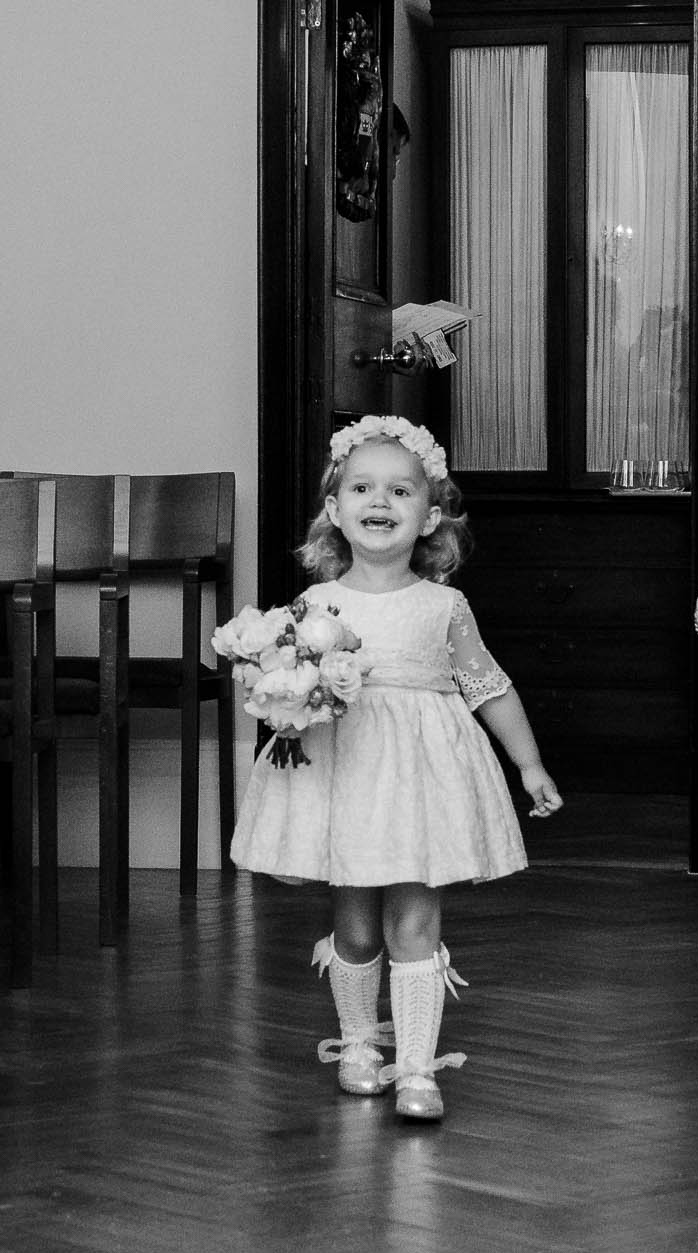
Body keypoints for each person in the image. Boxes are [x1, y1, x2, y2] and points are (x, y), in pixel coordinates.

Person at [231, 415, 562, 1121]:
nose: (380, 501)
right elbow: (280, 680)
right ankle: (358, 1045)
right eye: (362, 487)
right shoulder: (314, 606)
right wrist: (279, 695)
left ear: (430, 515)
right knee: (354, 928)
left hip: (420, 783)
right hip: (344, 775)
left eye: (401, 491)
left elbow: (488, 685)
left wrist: (527, 763)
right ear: (335, 509)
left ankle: (416, 1067)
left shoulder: (445, 605)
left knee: (414, 923)